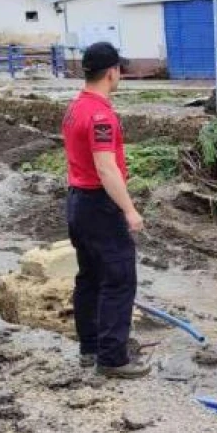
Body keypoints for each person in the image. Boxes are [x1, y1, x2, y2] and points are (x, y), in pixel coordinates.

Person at [63, 41, 149, 379]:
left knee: (90, 277)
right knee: (119, 279)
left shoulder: (76, 106)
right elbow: (106, 167)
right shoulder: (100, 115)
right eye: (119, 70)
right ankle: (113, 358)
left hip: (77, 202)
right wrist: (129, 210)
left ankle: (90, 348)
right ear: (111, 72)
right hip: (99, 204)